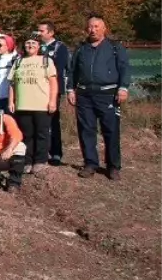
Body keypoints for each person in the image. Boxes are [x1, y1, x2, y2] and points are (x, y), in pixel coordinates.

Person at [68, 15, 130, 180]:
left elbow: (124, 68)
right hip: (84, 95)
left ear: (104, 29)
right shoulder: (81, 49)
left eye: (96, 26)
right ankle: (90, 164)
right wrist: (70, 90)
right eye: (90, 27)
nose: (92, 30)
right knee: (86, 130)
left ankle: (113, 166)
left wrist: (123, 88)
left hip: (108, 95)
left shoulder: (115, 47)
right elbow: (72, 71)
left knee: (111, 131)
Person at [7, 34, 58, 175]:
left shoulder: (46, 61)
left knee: (41, 134)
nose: (30, 45)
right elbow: (12, 83)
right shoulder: (18, 62)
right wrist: (11, 101)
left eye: (33, 43)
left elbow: (53, 83)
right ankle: (27, 161)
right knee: (26, 135)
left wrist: (52, 101)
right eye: (28, 43)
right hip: (23, 105)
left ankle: (40, 161)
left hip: (41, 105)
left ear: (39, 46)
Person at [36, 21, 70, 166]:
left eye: (41, 31)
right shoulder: (36, 46)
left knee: (52, 122)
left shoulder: (59, 47)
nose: (38, 33)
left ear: (51, 33)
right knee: (39, 122)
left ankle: (56, 153)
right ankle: (41, 152)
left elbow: (59, 69)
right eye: (38, 30)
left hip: (52, 90)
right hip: (37, 89)